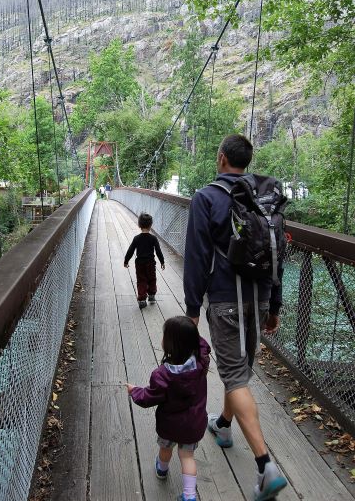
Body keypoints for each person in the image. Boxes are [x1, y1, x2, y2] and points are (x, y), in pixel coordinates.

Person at [183, 134, 288, 501]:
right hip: (258, 300)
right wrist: (274, 306)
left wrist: (192, 309)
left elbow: (196, 258)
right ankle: (224, 426)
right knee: (239, 369)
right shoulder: (264, 199)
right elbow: (278, 255)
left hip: (226, 303)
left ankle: (265, 467)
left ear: (221, 157)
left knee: (233, 375)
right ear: (246, 161)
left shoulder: (206, 197)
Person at [127, 316, 211, 501]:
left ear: (170, 344)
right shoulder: (201, 362)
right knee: (187, 456)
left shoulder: (162, 375)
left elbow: (148, 397)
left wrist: (135, 391)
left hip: (170, 425)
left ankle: (162, 469)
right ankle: (189, 495)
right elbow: (202, 344)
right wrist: (190, 331)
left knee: (165, 449)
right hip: (194, 423)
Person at [124, 212, 165, 309]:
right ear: (151, 225)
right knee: (152, 278)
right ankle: (151, 295)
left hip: (140, 264)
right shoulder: (153, 238)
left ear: (139, 225)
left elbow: (130, 250)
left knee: (141, 280)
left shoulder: (136, 238)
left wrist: (126, 261)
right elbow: (158, 251)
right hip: (151, 263)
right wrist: (162, 262)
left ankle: (142, 299)